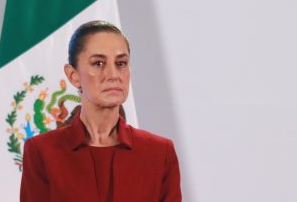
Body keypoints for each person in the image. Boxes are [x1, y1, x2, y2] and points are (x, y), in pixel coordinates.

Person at [20, 20, 181, 202]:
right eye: (98, 63)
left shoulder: (160, 153)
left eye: (121, 63)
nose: (113, 75)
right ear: (73, 76)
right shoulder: (42, 152)